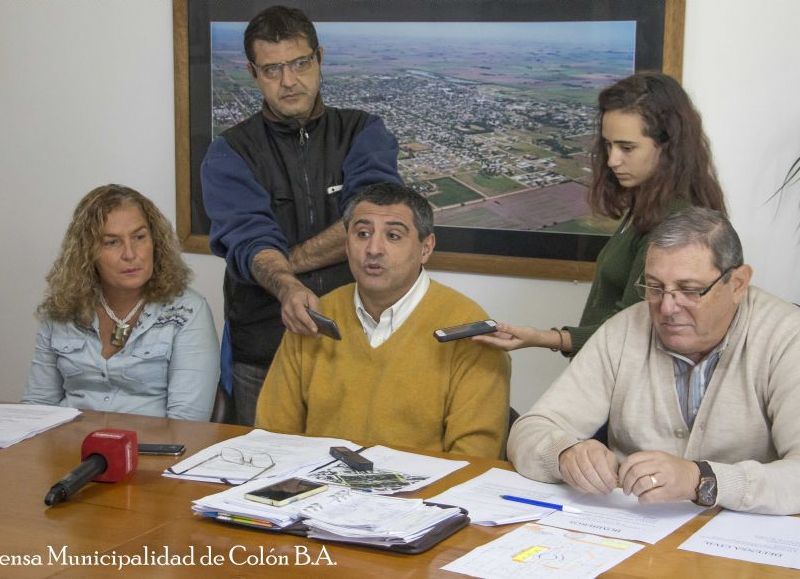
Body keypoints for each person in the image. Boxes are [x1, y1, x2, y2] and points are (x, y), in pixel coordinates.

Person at [507, 207, 800, 515]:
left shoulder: (787, 337)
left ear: (738, 283)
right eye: (655, 288)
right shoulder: (624, 330)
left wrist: (701, 480)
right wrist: (565, 454)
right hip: (634, 536)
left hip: (746, 546)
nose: (668, 308)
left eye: (689, 290)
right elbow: (530, 429)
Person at [201, 5, 402, 426]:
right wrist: (287, 288)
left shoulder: (364, 132)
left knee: (358, 474)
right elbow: (249, 239)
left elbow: (370, 221)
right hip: (263, 351)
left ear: (319, 58)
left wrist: (285, 265)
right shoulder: (229, 152)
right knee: (258, 479)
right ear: (253, 73)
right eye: (272, 70)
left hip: (355, 345)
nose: (289, 81)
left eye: (299, 63)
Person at [474, 72, 726, 357]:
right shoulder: (647, 206)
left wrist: (546, 338)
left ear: (668, 147)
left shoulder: (677, 223)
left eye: (627, 147)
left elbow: (635, 326)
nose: (613, 160)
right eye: (608, 145)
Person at [255, 183, 511, 459]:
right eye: (362, 234)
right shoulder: (314, 317)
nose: (374, 249)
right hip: (314, 493)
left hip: (421, 498)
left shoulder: (468, 329)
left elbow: (473, 461)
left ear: (426, 248)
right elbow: (272, 438)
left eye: (393, 236)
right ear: (346, 244)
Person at [23, 185, 219, 421]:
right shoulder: (63, 308)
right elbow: (37, 409)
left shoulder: (187, 311)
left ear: (155, 242)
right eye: (112, 242)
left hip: (151, 453)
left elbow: (187, 424)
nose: (130, 253)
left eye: (139, 237)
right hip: (69, 451)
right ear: (86, 252)